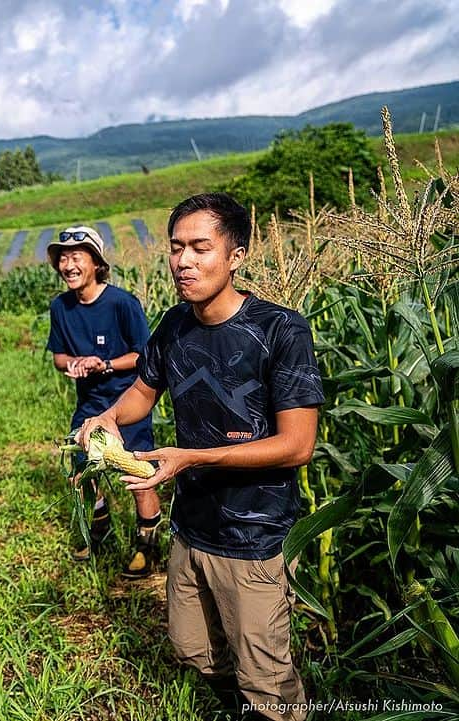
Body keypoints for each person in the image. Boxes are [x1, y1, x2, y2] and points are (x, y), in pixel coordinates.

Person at [78, 193, 324, 721]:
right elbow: (142, 394)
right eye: (175, 248)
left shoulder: (280, 330)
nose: (183, 261)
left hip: (255, 535)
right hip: (192, 527)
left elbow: (298, 444)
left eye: (199, 247)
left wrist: (192, 457)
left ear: (235, 255)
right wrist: (107, 420)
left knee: (268, 682)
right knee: (194, 649)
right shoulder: (174, 326)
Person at [45, 226, 160, 578]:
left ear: (96, 263)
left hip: (128, 403)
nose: (68, 265)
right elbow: (59, 357)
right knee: (80, 475)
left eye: (76, 256)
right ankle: (99, 527)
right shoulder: (60, 307)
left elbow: (144, 357)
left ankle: (147, 545)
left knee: (138, 476)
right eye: (62, 258)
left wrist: (105, 364)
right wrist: (75, 364)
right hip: (89, 404)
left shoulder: (122, 303)